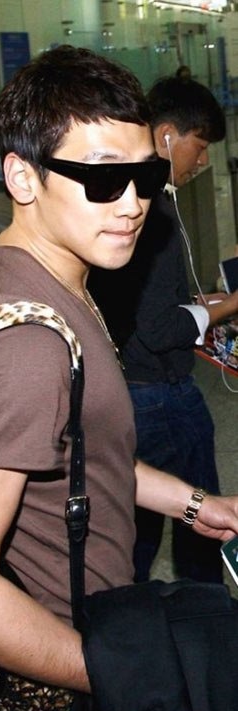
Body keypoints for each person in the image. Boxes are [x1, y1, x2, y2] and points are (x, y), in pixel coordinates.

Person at [0, 42, 238, 711]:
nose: (133, 204)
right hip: (59, 667)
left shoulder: (31, 274)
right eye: (103, 179)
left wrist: (195, 502)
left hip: (98, 620)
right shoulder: (23, 344)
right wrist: (111, 674)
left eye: (145, 176)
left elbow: (76, 448)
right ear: (22, 178)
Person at [88, 75, 238, 584]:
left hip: (129, 386)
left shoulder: (133, 204)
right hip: (161, 393)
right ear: (168, 134)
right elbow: (158, 327)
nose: (202, 160)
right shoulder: (149, 213)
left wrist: (201, 302)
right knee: (201, 522)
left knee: (138, 529)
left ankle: (128, 609)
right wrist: (229, 307)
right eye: (199, 145)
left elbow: (144, 303)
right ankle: (206, 616)